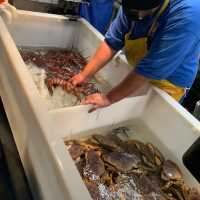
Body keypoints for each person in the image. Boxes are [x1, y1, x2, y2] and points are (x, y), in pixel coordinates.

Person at [71, 0, 200, 112]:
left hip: (169, 82)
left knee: (152, 119)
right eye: (132, 10)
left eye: (143, 11)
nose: (138, 16)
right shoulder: (132, 7)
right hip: (140, 71)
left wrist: (108, 98)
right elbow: (112, 42)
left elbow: (151, 69)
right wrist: (84, 75)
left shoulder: (187, 14)